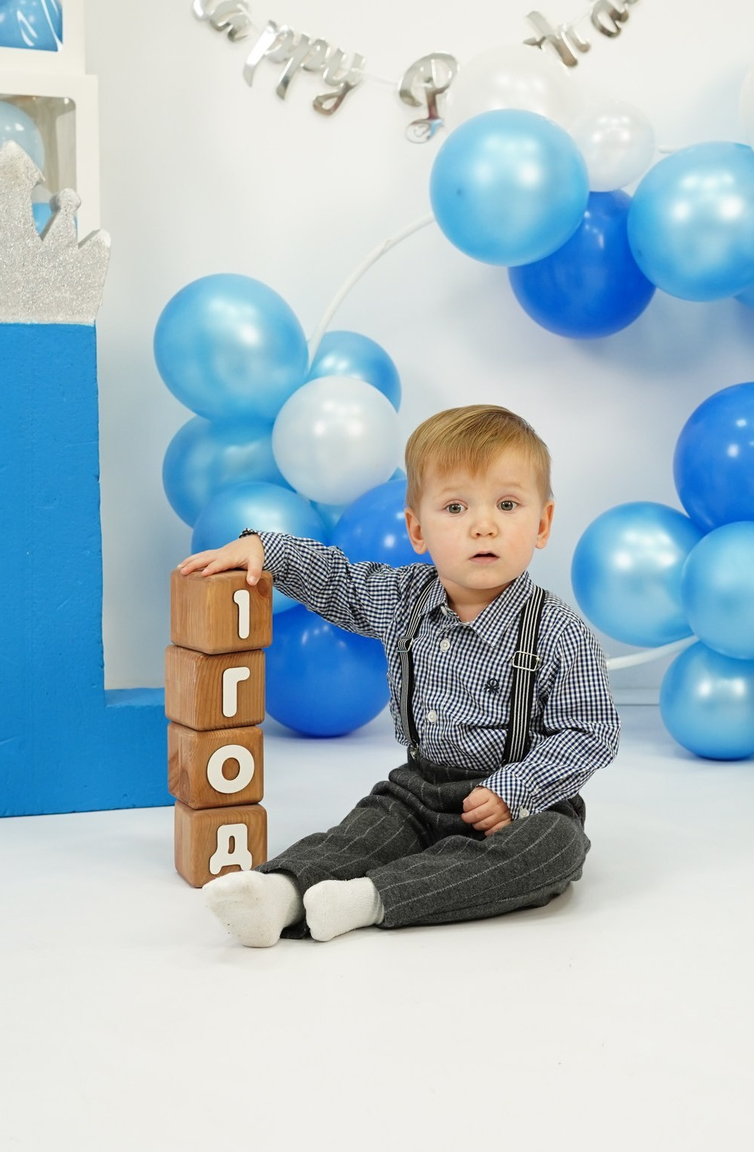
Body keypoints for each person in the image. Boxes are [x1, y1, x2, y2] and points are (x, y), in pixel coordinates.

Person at [177, 404, 620, 945]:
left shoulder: (557, 630)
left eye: (507, 505)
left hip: (517, 805)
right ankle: (282, 893)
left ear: (543, 523)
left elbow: (591, 731)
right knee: (364, 832)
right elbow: (336, 579)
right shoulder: (403, 598)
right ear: (417, 530)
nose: (484, 525)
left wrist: (516, 788)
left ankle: (368, 899)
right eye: (455, 507)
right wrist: (266, 548)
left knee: (554, 849)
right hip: (419, 790)